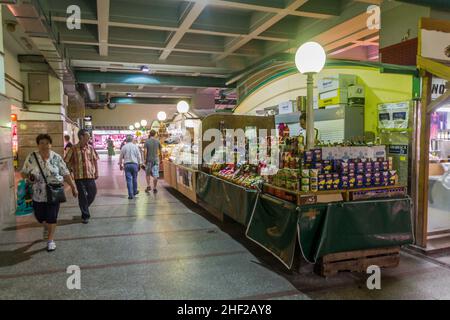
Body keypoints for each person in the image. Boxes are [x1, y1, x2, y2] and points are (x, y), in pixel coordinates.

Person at [21, 134, 78, 252]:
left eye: (47, 143)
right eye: (41, 143)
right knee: (40, 217)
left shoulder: (56, 157)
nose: (44, 145)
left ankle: (50, 240)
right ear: (38, 145)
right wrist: (29, 177)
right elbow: (23, 172)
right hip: (37, 194)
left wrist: (73, 187)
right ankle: (46, 226)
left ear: (51, 144)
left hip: (54, 192)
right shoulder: (32, 157)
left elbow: (65, 173)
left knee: (52, 217)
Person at [64, 129, 99, 224]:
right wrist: (69, 172)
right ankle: (85, 215)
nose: (89, 137)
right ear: (81, 137)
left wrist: (96, 172)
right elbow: (66, 161)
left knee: (93, 193)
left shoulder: (91, 148)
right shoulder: (73, 149)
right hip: (79, 177)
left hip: (90, 175)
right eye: (88, 135)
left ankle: (84, 207)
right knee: (82, 196)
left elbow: (95, 160)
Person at [118, 135, 143, 199]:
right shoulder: (135, 146)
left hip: (127, 165)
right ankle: (135, 191)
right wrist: (140, 164)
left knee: (129, 180)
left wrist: (120, 164)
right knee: (135, 179)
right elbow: (138, 156)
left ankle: (130, 194)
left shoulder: (124, 147)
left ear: (126, 140)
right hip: (134, 164)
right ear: (132, 140)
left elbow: (121, 156)